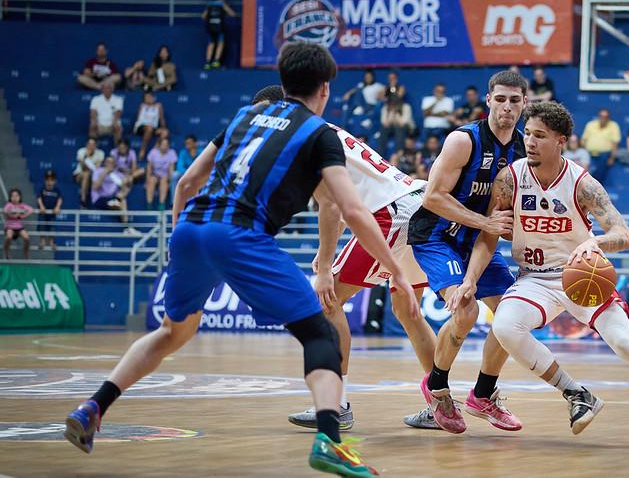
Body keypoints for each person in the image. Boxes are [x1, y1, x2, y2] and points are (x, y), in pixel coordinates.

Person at [64, 42, 418, 477]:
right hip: (240, 234)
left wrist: (180, 243)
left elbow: (187, 182)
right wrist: (396, 268)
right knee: (321, 335)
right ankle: (330, 441)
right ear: (324, 89)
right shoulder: (320, 133)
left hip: (192, 229)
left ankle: (92, 407)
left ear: (283, 82)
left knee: (171, 333)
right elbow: (353, 211)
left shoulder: (244, 117)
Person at [451, 101, 629, 449]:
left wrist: (597, 243)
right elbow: (488, 234)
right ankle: (577, 394)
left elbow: (623, 232)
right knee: (504, 326)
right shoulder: (510, 178)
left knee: (624, 342)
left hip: (581, 275)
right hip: (534, 277)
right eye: (527, 133)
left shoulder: (582, 184)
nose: (530, 141)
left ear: (561, 141)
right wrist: (470, 279)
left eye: (540, 136)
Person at [287, 116, 440, 432]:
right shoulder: (328, 130)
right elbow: (346, 198)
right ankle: (442, 404)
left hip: (390, 212)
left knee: (327, 302)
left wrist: (327, 268)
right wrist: (324, 252)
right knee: (407, 312)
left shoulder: (301, 136)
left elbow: (330, 206)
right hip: (418, 201)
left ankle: (336, 404)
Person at [407, 70, 528, 433]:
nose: (507, 106)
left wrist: (488, 236)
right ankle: (438, 389)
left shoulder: (523, 150)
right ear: (488, 100)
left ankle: (483, 395)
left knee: (514, 316)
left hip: (477, 240)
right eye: (501, 99)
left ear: (525, 104)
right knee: (465, 310)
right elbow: (432, 197)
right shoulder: (463, 140)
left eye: (515, 100)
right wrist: (485, 223)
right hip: (436, 237)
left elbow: (497, 222)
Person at [580, 108, 620, 183]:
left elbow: (615, 143)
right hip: (588, 153)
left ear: (609, 118)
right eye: (601, 116)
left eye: (605, 117)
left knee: (599, 171)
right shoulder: (590, 124)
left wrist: (612, 157)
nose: (603, 118)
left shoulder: (614, 126)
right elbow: (583, 140)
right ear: (598, 116)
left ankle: (594, 185)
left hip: (604, 154)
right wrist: (582, 152)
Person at [202, 0, 236, 70]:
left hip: (210, 28)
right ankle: (216, 61)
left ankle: (207, 62)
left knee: (211, 43)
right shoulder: (222, 4)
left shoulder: (209, 4)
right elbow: (232, 14)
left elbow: (203, 16)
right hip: (219, 28)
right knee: (221, 42)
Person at [377, 86, 414, 156]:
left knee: (399, 128)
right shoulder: (385, 108)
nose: (393, 101)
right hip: (391, 127)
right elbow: (384, 123)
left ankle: (399, 154)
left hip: (407, 128)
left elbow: (402, 123)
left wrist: (396, 112)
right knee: (383, 129)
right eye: (391, 99)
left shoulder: (406, 107)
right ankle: (380, 154)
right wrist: (391, 112)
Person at [133, 91, 168, 161]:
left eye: (150, 97)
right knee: (149, 128)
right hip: (141, 127)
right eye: (146, 97)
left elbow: (162, 119)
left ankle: (154, 150)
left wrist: (164, 128)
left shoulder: (158, 106)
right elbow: (138, 119)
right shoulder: (142, 106)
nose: (148, 98)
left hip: (153, 127)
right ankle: (142, 150)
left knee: (165, 132)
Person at [145, 137, 177, 211]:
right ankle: (149, 204)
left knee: (164, 181)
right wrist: (147, 180)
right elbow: (149, 168)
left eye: (166, 144)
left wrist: (169, 181)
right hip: (155, 174)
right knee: (151, 180)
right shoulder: (153, 152)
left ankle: (161, 204)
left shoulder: (172, 153)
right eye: (163, 144)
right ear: (159, 145)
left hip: (165, 175)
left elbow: (171, 169)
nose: (165, 146)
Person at [72, 137, 105, 207]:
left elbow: (97, 169)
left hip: (93, 176)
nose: (90, 146)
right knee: (86, 174)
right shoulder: (81, 151)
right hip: (79, 175)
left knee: (90, 175)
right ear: (86, 144)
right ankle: (83, 200)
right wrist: (86, 156)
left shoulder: (100, 153)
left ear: (96, 145)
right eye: (89, 144)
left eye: (93, 144)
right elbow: (84, 168)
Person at [3, 189, 33, 259]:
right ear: (10, 198)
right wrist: (12, 215)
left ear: (20, 197)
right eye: (12, 196)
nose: (15, 198)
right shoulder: (9, 205)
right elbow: (5, 210)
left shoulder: (22, 205)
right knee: (9, 237)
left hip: (19, 227)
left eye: (16, 196)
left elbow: (31, 210)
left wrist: (24, 215)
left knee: (27, 238)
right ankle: (7, 251)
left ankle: (25, 252)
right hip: (10, 227)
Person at [37, 170, 62, 250]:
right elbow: (39, 198)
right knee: (42, 226)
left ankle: (51, 241)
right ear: (45, 180)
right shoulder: (42, 189)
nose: (49, 182)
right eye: (47, 180)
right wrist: (41, 206)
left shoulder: (56, 190)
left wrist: (57, 207)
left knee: (52, 227)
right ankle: (42, 240)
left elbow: (60, 199)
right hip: (43, 212)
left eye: (52, 180)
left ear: (55, 181)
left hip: (52, 213)